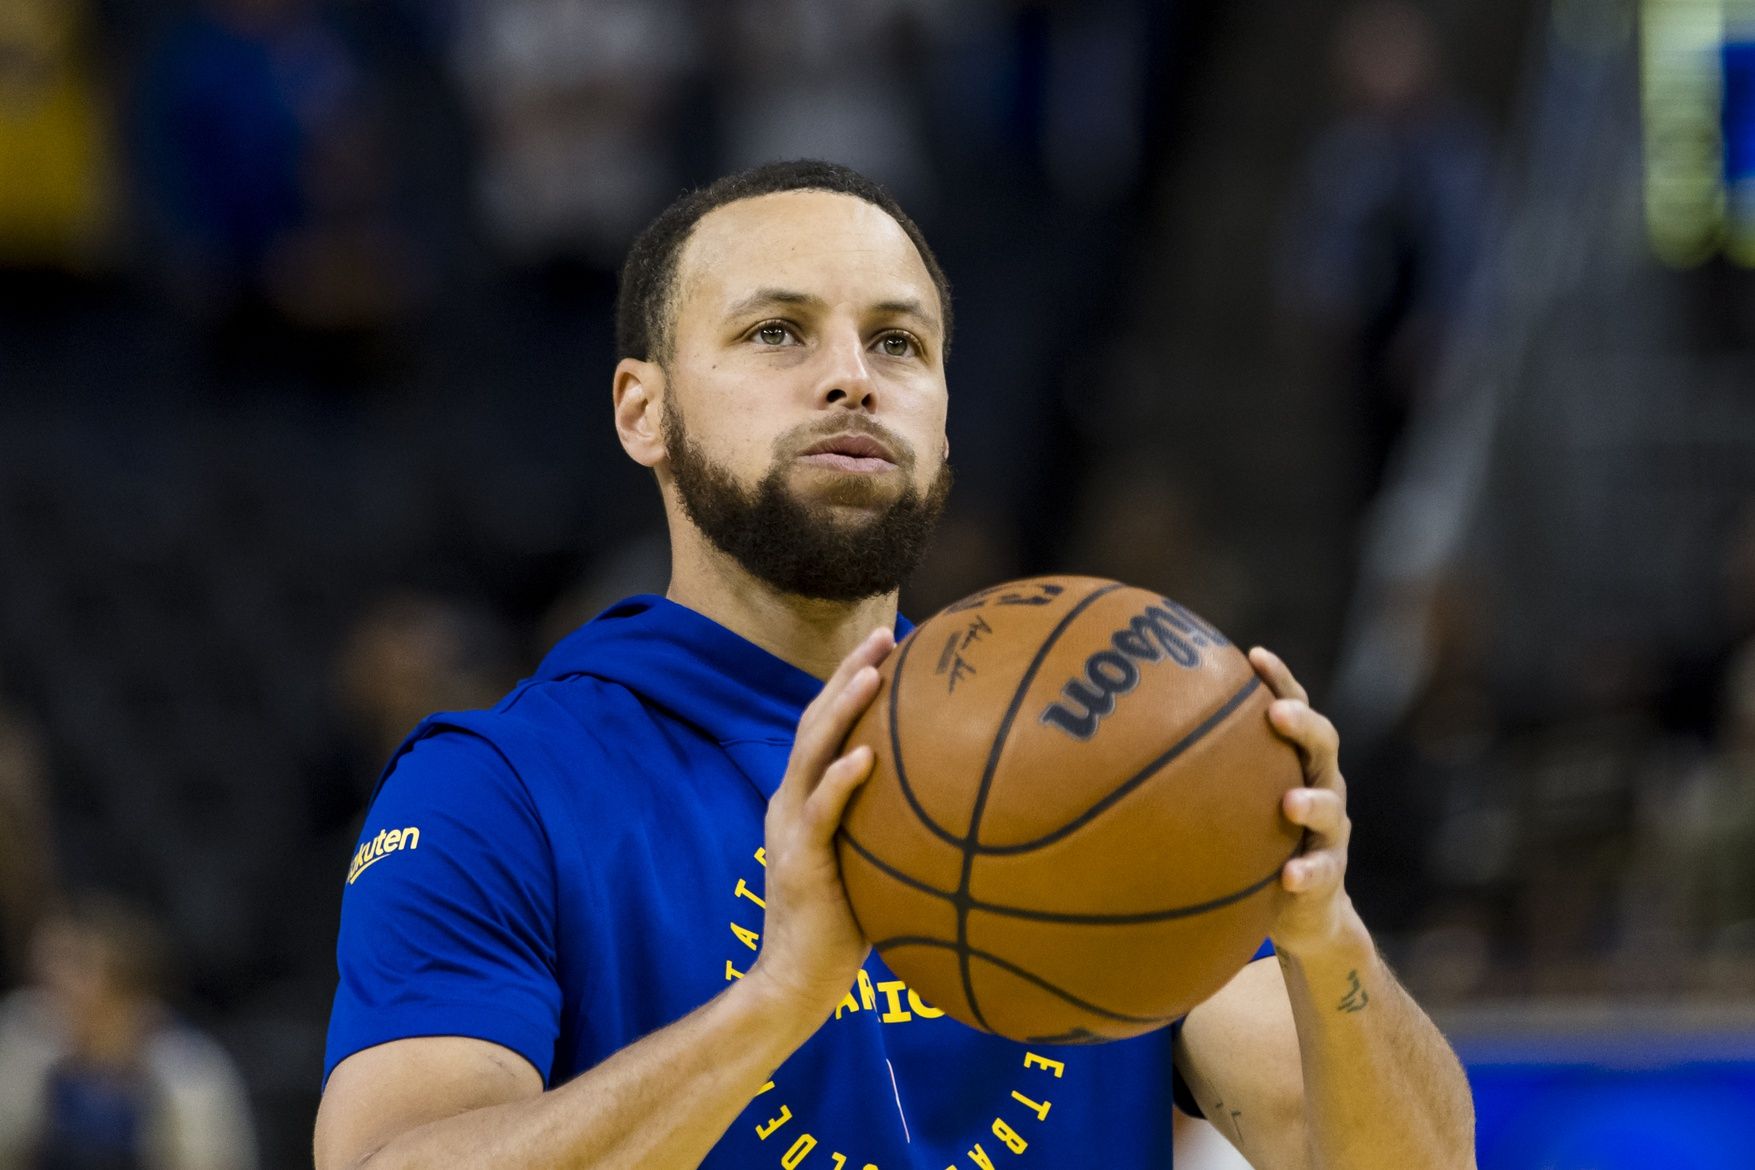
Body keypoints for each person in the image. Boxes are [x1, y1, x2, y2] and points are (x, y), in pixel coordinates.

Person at [314, 159, 1476, 1169]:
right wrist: (773, 1005)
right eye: (777, 332)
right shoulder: (498, 789)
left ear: (947, 420)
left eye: (899, 342)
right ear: (642, 411)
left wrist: (1331, 943)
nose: (852, 376)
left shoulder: (1095, 758)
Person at [0, 895, 259, 1170]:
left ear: (124, 984)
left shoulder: (188, 1069)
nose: (50, 983)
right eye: (44, 967)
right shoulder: (27, 1040)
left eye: (72, 968)